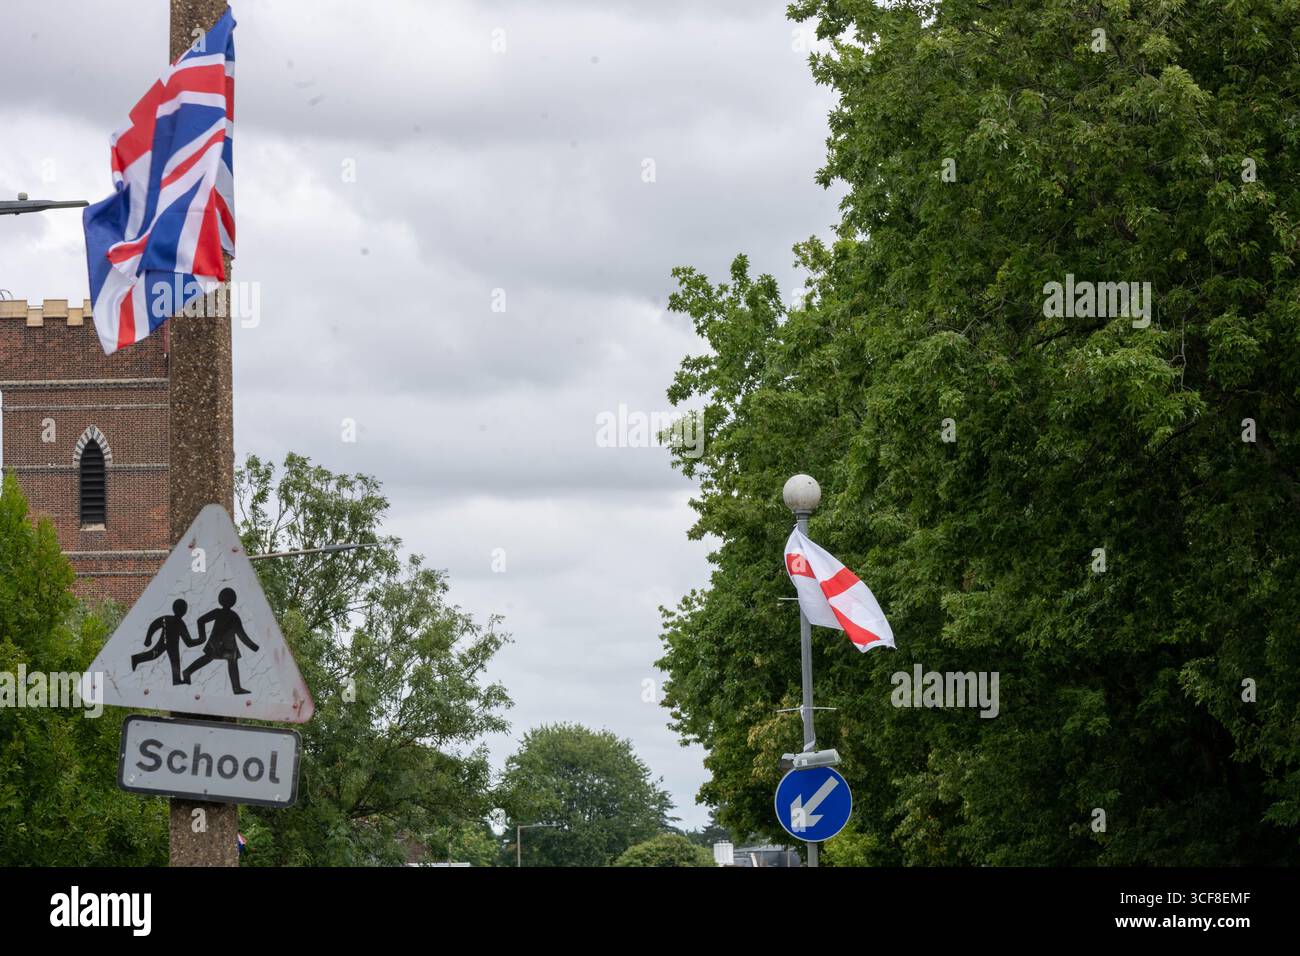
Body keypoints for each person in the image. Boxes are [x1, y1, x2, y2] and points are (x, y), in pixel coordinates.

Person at [181, 588, 259, 694]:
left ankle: (236, 688)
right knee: (211, 659)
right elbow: (242, 635)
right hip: (220, 645)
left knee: (230, 661)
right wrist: (254, 647)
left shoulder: (229, 615)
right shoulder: (231, 615)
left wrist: (202, 636)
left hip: (226, 645)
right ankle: (187, 672)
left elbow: (241, 634)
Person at [130, 599, 198, 685]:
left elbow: (154, 625)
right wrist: (148, 638)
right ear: (185, 610)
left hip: (171, 644)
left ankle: (176, 680)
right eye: (185, 608)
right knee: (156, 655)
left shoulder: (171, 620)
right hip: (166, 643)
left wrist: (148, 638)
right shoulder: (174, 621)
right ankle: (136, 658)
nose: (184, 610)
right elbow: (154, 625)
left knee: (173, 660)